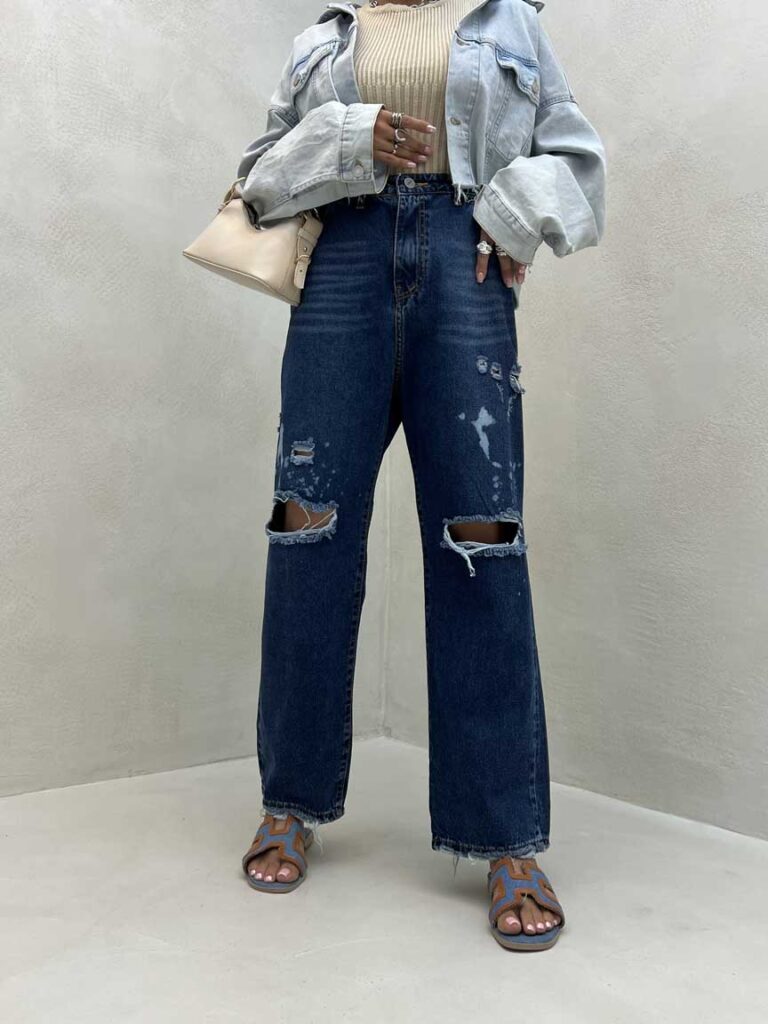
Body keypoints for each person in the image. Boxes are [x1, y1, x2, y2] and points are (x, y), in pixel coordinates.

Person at [236, 0, 606, 952]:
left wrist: (512, 217)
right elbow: (257, 180)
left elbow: (577, 160)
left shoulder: (510, 22)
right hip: (340, 268)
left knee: (484, 540)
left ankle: (507, 836)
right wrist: (347, 138)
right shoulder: (325, 37)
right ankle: (290, 799)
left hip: (461, 263)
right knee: (307, 530)